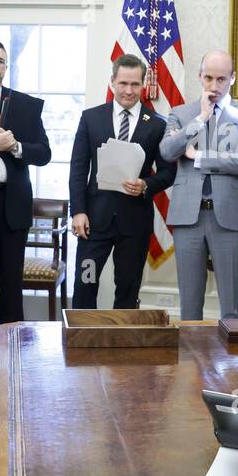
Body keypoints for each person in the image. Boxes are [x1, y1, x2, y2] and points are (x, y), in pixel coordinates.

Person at [69, 55, 177, 309]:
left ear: (143, 85)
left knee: (128, 289)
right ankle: (82, 344)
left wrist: (146, 185)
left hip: (135, 222)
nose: (129, 91)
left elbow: (168, 172)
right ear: (112, 82)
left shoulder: (157, 125)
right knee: (85, 283)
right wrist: (79, 212)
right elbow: (78, 168)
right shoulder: (91, 118)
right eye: (123, 84)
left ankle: (122, 345)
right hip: (93, 221)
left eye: (135, 84)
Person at [160, 50, 238, 320]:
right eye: (208, 78)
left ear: (233, 78)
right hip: (188, 217)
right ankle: (191, 362)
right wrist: (200, 119)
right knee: (189, 304)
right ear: (199, 76)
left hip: (228, 216)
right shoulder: (181, 114)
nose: (214, 86)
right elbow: (168, 151)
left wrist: (198, 156)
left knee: (231, 305)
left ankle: (229, 362)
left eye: (221, 79)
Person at [0, 40, 50, 368]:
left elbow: (43, 152)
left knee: (10, 280)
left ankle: (9, 346)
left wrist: (14, 147)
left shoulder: (24, 105)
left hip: (11, 203)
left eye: (1, 62)